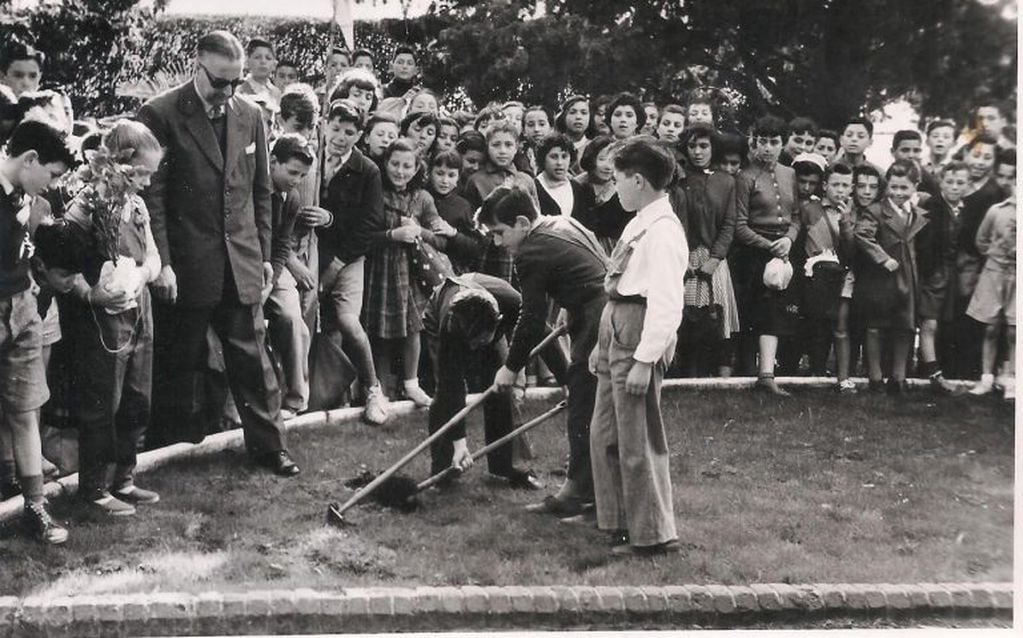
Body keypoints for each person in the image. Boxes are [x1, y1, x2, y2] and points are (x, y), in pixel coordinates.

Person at [136, 30, 299, 476]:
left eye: (236, 81)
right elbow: (152, 198)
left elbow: (261, 191)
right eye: (220, 81)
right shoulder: (160, 114)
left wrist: (264, 254)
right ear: (196, 67)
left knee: (254, 359)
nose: (228, 92)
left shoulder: (250, 115)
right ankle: (167, 451)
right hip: (187, 264)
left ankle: (270, 447)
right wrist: (163, 263)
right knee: (180, 361)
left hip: (241, 260)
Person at [39, 121, 163, 516]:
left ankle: (124, 478)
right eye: (140, 173)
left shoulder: (137, 206)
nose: (145, 183)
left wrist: (141, 275)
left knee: (136, 398)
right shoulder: (85, 205)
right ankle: (93, 488)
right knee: (102, 402)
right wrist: (92, 292)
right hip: (101, 319)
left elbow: (155, 258)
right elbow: (58, 268)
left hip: (138, 309)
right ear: (116, 164)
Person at [479, 186, 607, 519]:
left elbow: (532, 318)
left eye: (499, 233)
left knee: (583, 407)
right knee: (589, 403)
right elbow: (592, 261)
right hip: (597, 309)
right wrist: (571, 304)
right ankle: (590, 491)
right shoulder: (560, 222)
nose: (498, 242)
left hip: (597, 319)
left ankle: (579, 495)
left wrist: (511, 367)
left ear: (522, 222)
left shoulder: (530, 251)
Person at [589, 137, 687, 557]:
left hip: (641, 331)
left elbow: (666, 302)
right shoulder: (638, 221)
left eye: (619, 181)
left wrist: (646, 361)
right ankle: (620, 520)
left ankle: (652, 534)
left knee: (638, 436)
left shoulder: (664, 231)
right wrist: (601, 341)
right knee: (605, 431)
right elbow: (617, 283)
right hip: (618, 323)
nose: (615, 189)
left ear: (640, 181)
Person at [0, 120, 74, 542]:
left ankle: (36, 508)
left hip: (22, 309)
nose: (51, 185)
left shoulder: (24, 198)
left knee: (26, 409)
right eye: (51, 174)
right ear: (30, 160)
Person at [423, 273, 543, 489]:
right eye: (471, 342)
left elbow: (541, 329)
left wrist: (566, 381)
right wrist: (460, 443)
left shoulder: (513, 302)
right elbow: (453, 386)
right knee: (444, 395)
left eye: (479, 341)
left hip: (490, 317)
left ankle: (502, 469)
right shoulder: (450, 326)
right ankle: (443, 471)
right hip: (438, 312)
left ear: (497, 323)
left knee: (500, 390)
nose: (474, 349)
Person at [362, 138, 454, 405]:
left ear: (417, 169)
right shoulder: (375, 191)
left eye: (407, 166)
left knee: (413, 328)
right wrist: (393, 234)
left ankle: (411, 384)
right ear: (386, 163)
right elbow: (364, 235)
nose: (400, 171)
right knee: (378, 328)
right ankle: (379, 387)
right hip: (380, 268)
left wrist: (419, 231)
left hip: (412, 271)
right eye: (395, 164)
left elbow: (441, 240)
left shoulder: (422, 198)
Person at [316, 99, 390, 424]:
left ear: (360, 134)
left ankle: (373, 389)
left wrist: (337, 261)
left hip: (348, 257)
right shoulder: (313, 159)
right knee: (313, 323)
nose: (340, 137)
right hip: (310, 252)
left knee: (347, 321)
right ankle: (324, 395)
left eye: (349, 132)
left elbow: (370, 223)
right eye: (335, 128)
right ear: (324, 125)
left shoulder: (367, 170)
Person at [731, 115, 802, 394]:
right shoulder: (746, 177)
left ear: (783, 144)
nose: (768, 148)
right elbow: (739, 225)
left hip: (784, 249)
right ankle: (752, 372)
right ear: (754, 142)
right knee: (757, 313)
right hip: (755, 252)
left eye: (774, 142)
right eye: (763, 142)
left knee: (778, 314)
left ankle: (768, 374)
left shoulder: (790, 174)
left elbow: (796, 216)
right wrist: (767, 245)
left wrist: (788, 240)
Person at [854, 160, 928, 395]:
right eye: (893, 187)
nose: (897, 193)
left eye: (904, 188)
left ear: (916, 186)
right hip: (881, 278)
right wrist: (882, 258)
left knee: (905, 327)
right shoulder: (875, 211)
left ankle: (899, 377)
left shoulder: (917, 214)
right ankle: (875, 377)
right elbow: (862, 235)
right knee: (876, 325)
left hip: (908, 278)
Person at [674, 124, 739, 378]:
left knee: (717, 316)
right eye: (692, 146)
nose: (698, 152)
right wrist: (682, 258)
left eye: (704, 146)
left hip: (714, 256)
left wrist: (715, 258)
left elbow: (729, 223)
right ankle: (688, 374)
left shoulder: (725, 181)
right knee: (687, 315)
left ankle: (721, 376)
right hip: (686, 255)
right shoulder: (680, 179)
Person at [942, 133, 1005, 379]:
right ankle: (946, 368)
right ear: (966, 154)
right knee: (949, 315)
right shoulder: (957, 183)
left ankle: (970, 371)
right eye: (976, 155)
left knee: (974, 316)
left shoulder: (995, 192)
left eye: (987, 157)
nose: (980, 162)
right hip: (950, 261)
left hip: (979, 263)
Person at [263, 134, 316, 419]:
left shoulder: (291, 197)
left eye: (303, 175)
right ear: (273, 162)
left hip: (275, 267)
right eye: (292, 172)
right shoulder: (256, 188)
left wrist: (272, 278)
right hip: (247, 265)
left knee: (293, 318)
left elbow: (283, 243)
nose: (297, 180)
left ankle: (296, 399)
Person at [794, 163, 857, 389]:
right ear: (824, 186)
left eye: (845, 185)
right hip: (816, 273)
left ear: (852, 188)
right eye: (835, 184)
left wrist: (846, 221)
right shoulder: (810, 210)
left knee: (838, 321)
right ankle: (816, 367)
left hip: (842, 274)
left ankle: (842, 371)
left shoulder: (852, 212)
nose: (840, 190)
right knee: (816, 321)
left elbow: (852, 250)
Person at [915, 161, 970, 394]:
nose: (954, 187)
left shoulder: (967, 210)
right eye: (949, 182)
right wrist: (929, 273)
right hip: (934, 271)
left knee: (947, 322)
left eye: (960, 183)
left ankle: (940, 367)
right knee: (929, 321)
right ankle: (932, 371)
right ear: (941, 182)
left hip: (955, 273)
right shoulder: (932, 206)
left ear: (967, 185)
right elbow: (924, 244)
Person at [464, 121, 539, 282]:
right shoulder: (476, 180)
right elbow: (470, 221)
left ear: (517, 147)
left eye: (508, 145)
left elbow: (535, 217)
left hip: (521, 249)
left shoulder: (525, 179)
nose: (502, 151)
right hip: (488, 250)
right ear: (487, 146)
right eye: (496, 145)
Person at [967, 149, 1016, 398]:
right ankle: (987, 377)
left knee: (1014, 330)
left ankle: (1011, 379)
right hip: (995, 272)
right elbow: (981, 241)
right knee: (991, 327)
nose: (1011, 184)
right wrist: (998, 258)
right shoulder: (997, 210)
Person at [427, 150, 483, 274]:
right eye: (440, 173)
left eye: (451, 175)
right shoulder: (421, 197)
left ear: (458, 177)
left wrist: (453, 233)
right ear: (430, 173)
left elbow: (475, 247)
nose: (445, 181)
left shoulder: (462, 206)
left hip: (452, 269)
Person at [575, 136, 634, 253]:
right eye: (602, 159)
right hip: (582, 248)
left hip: (615, 250)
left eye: (612, 161)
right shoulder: (576, 186)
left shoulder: (622, 189)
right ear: (591, 160)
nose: (608, 167)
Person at [534, 132, 587, 218]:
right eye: (554, 157)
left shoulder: (577, 188)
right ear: (543, 159)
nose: (559, 163)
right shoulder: (534, 188)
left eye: (564, 156)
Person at [554, 95, 594, 173]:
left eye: (584, 113)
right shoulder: (554, 145)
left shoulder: (594, 147)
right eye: (572, 112)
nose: (578, 117)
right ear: (564, 116)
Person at [237, 37, 281, 107]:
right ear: (247, 62)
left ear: (274, 65)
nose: (263, 61)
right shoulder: (239, 92)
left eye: (268, 58)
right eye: (257, 57)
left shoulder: (277, 93)